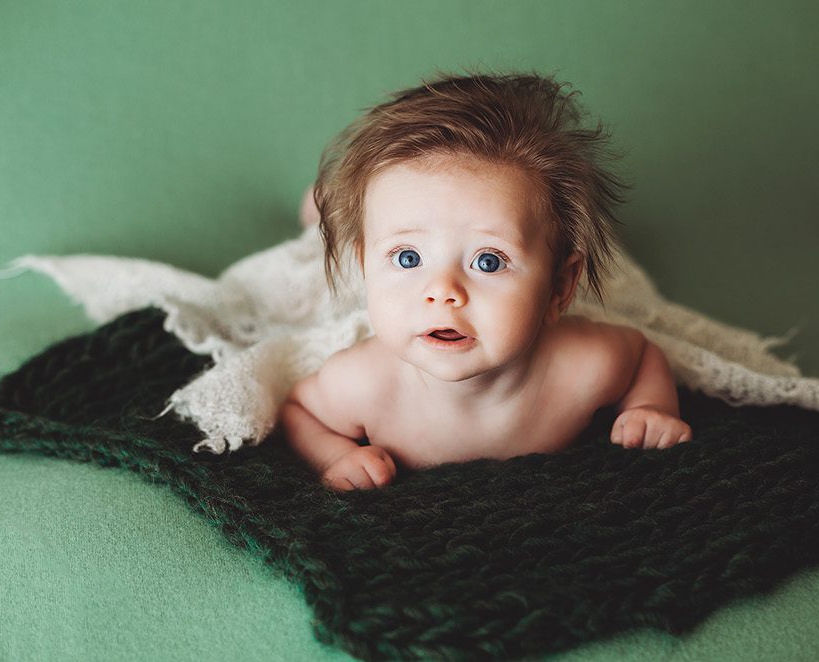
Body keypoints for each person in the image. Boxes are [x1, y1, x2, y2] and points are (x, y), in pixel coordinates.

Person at [280, 71, 690, 492]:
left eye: (489, 261)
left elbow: (643, 355)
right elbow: (299, 410)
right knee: (323, 235)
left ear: (561, 288)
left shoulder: (583, 368)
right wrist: (337, 455)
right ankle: (322, 209)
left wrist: (650, 407)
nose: (442, 292)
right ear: (365, 268)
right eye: (408, 258)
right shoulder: (363, 382)